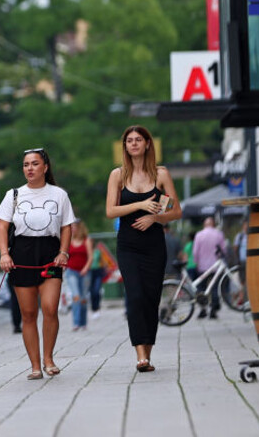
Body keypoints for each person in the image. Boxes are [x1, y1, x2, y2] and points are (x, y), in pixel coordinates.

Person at [106, 125, 181, 373]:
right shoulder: (118, 175)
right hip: (128, 244)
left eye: (139, 139)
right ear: (125, 146)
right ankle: (139, 353)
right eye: (129, 140)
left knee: (151, 298)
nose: (134, 143)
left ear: (148, 144)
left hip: (153, 244)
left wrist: (154, 218)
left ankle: (147, 353)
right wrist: (140, 204)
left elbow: (174, 211)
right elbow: (111, 211)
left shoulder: (161, 174)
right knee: (135, 296)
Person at [0, 148, 76, 380]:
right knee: (28, 313)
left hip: (50, 254)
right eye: (25, 164)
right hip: (22, 255)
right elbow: (2, 227)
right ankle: (34, 365)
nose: (29, 168)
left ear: (45, 167)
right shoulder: (14, 195)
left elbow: (66, 226)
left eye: (34, 164)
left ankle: (49, 359)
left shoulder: (59, 194)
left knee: (50, 308)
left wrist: (64, 252)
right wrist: (4, 254)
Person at [192, 216, 228, 319]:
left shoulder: (199, 235)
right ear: (213, 224)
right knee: (215, 288)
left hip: (202, 266)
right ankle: (213, 310)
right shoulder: (218, 234)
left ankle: (203, 310)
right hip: (215, 266)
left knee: (201, 288)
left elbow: (195, 252)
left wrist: (196, 263)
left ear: (205, 224)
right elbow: (223, 250)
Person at [64, 222, 93, 332]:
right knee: (76, 296)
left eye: (74, 227)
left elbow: (90, 257)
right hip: (72, 272)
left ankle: (83, 322)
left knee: (83, 298)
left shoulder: (87, 240)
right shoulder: (69, 241)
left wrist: (86, 268)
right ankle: (76, 322)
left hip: (85, 272)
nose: (72, 229)